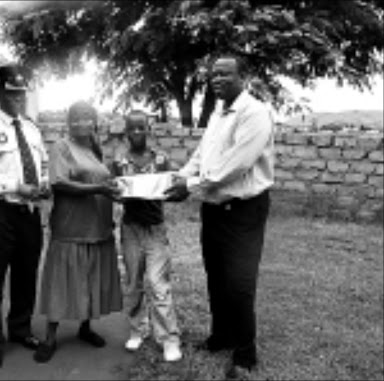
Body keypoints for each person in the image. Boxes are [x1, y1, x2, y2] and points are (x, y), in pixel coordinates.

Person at [164, 55, 274, 380]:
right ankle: (221, 336)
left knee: (240, 283)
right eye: (213, 74)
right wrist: (180, 176)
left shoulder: (254, 113)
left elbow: (234, 166)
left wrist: (190, 186)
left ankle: (245, 354)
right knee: (216, 276)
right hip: (213, 208)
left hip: (243, 211)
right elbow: (204, 154)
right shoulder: (218, 112)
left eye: (225, 74)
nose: (217, 79)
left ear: (245, 76)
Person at [0, 64, 51, 370]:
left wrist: (41, 184)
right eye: (13, 93)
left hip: (28, 214)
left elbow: (42, 160)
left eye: (22, 93)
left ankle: (20, 329)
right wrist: (17, 186)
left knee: (26, 275)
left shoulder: (31, 127)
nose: (19, 98)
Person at [33, 101, 123, 363]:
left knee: (90, 277)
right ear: (68, 123)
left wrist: (115, 188)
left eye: (87, 118)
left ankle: (85, 327)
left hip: (98, 225)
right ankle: (50, 337)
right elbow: (59, 183)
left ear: (94, 122)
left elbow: (100, 180)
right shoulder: (62, 147)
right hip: (71, 226)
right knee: (62, 280)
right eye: (76, 118)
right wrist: (99, 190)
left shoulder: (95, 149)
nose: (82, 123)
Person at [111, 110, 182, 362]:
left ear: (149, 130)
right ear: (126, 132)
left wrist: (177, 192)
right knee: (133, 283)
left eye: (141, 128)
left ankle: (169, 339)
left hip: (154, 229)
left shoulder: (161, 160)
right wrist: (115, 194)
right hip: (130, 228)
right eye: (132, 129)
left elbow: (176, 188)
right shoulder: (120, 162)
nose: (137, 133)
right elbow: (112, 190)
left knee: (157, 284)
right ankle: (137, 330)